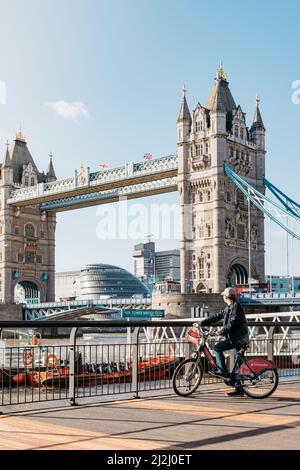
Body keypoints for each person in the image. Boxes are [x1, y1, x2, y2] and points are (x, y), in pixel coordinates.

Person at [200, 287, 249, 397]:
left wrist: (221, 331)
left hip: (239, 339)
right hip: (237, 338)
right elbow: (217, 316)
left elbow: (232, 323)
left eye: (223, 295)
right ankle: (239, 390)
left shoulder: (236, 307)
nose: (223, 297)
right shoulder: (230, 307)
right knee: (239, 365)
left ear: (226, 296)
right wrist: (202, 323)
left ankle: (222, 371)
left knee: (217, 347)